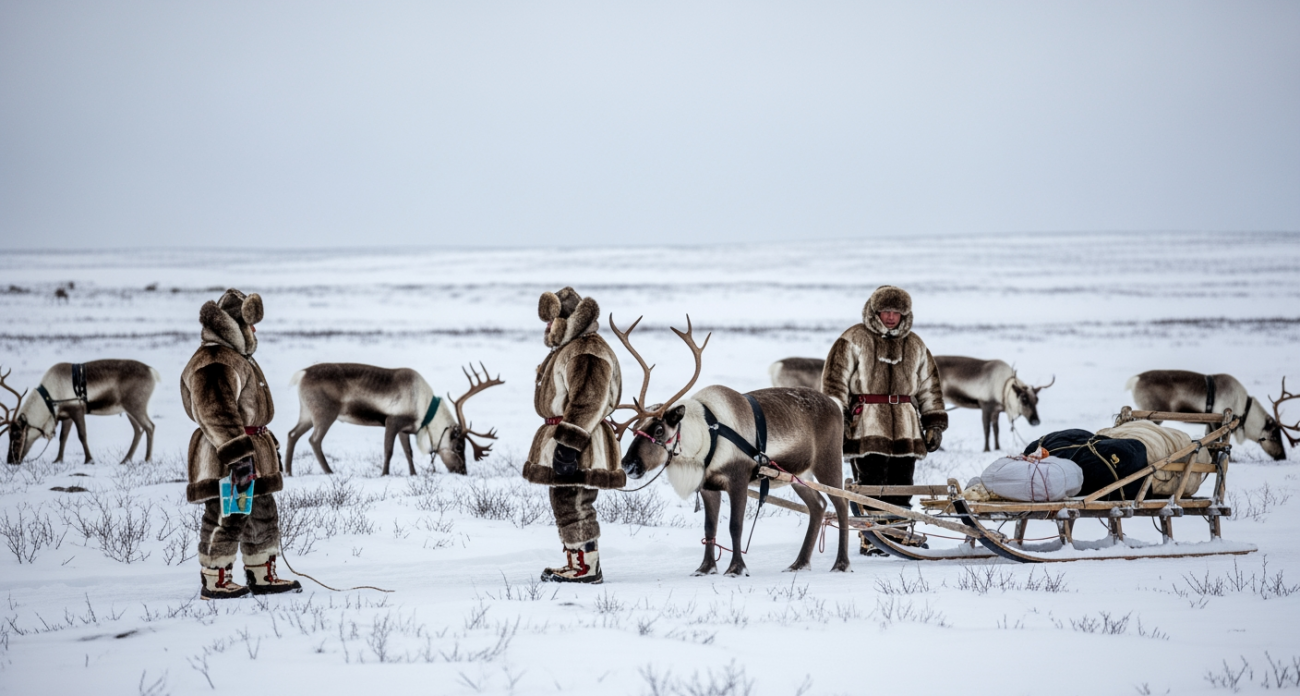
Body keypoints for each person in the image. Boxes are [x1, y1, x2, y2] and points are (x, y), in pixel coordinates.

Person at [181, 289, 301, 598]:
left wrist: (264, 449)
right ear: (234, 325)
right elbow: (215, 413)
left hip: (250, 450)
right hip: (225, 454)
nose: (255, 330)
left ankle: (262, 574)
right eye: (249, 324)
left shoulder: (235, 357)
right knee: (227, 513)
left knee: (262, 511)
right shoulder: (214, 360)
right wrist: (239, 456)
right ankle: (215, 579)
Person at [821, 285, 947, 554]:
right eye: (885, 311)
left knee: (902, 484)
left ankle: (898, 533)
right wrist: (838, 421)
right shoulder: (853, 339)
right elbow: (834, 384)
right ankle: (873, 538)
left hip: (906, 426)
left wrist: (934, 422)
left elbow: (930, 387)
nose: (890, 317)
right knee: (870, 483)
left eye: (896, 312)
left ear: (905, 314)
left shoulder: (915, 344)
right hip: (867, 424)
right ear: (875, 311)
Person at [522, 287, 624, 583]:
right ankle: (576, 561)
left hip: (582, 440)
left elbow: (589, 400)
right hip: (570, 436)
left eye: (551, 321)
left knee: (576, 501)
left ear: (566, 320)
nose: (547, 327)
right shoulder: (571, 348)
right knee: (565, 500)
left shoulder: (586, 349)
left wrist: (568, 445)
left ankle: (586, 568)